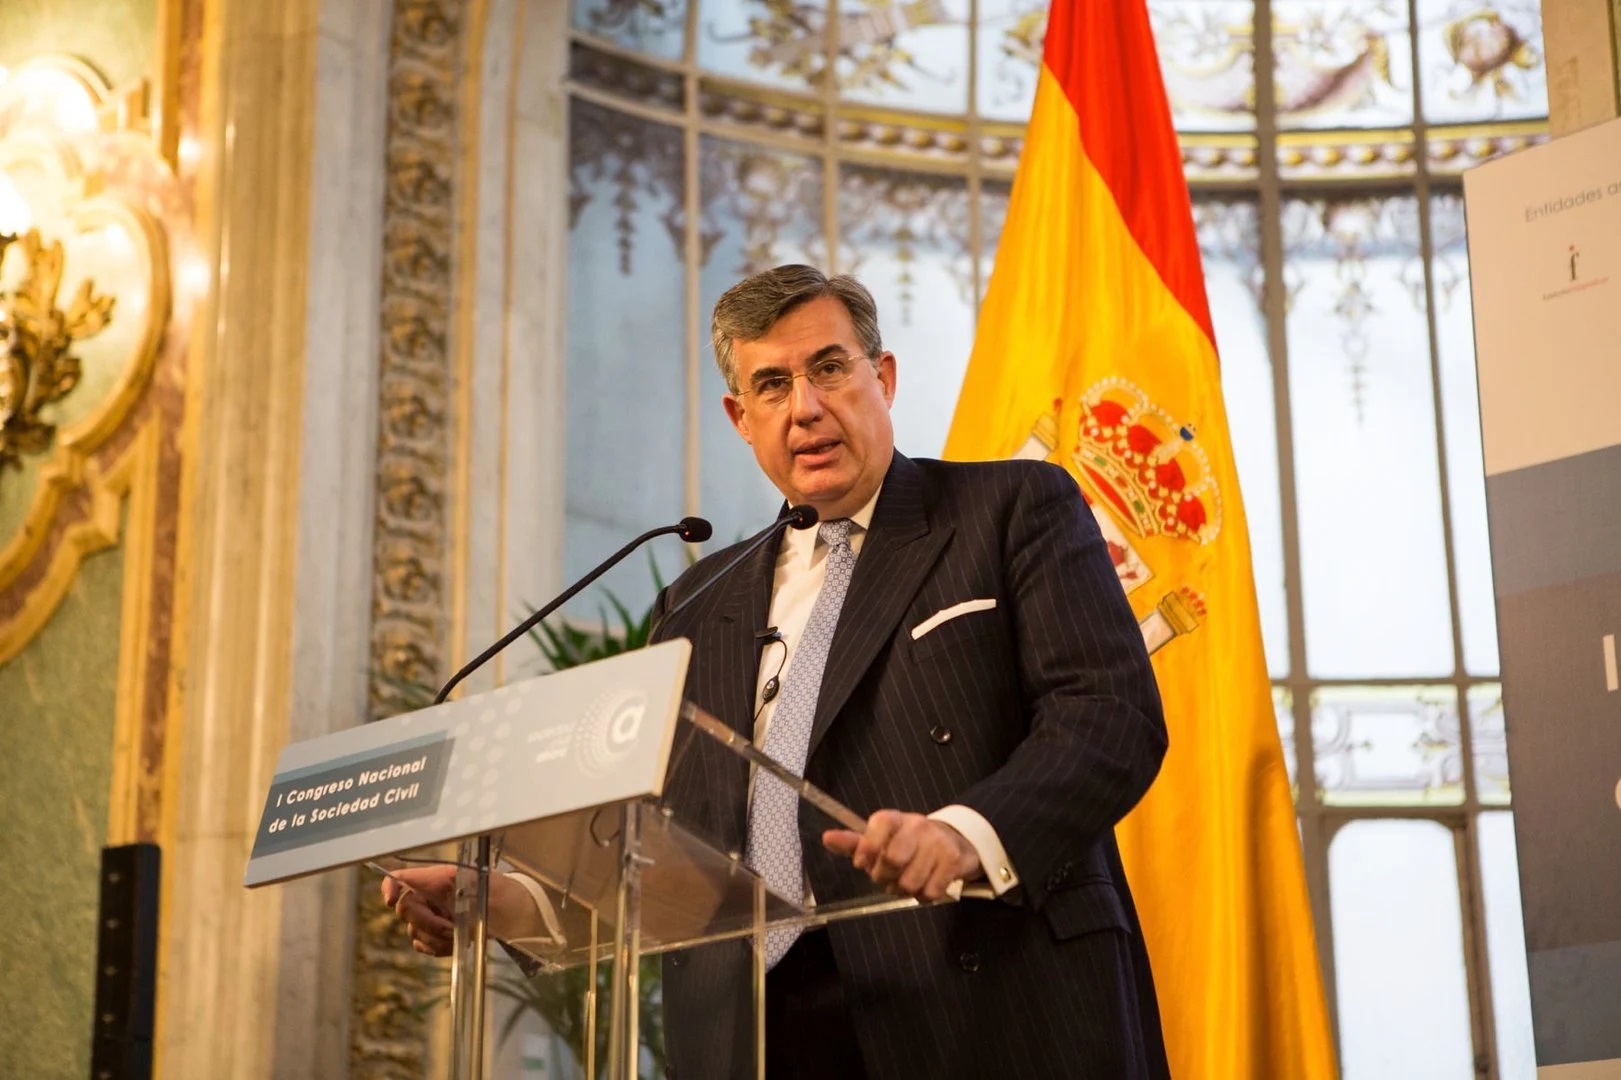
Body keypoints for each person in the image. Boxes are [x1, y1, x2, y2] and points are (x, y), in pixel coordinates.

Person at [385, 265, 1170, 1079]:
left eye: (828, 368)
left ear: (882, 378)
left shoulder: (1007, 510)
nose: (804, 407)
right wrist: (509, 904)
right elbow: (665, 846)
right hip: (755, 1033)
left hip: (983, 998)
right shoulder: (697, 602)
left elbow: (1106, 715)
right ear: (740, 417)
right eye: (771, 384)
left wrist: (961, 834)